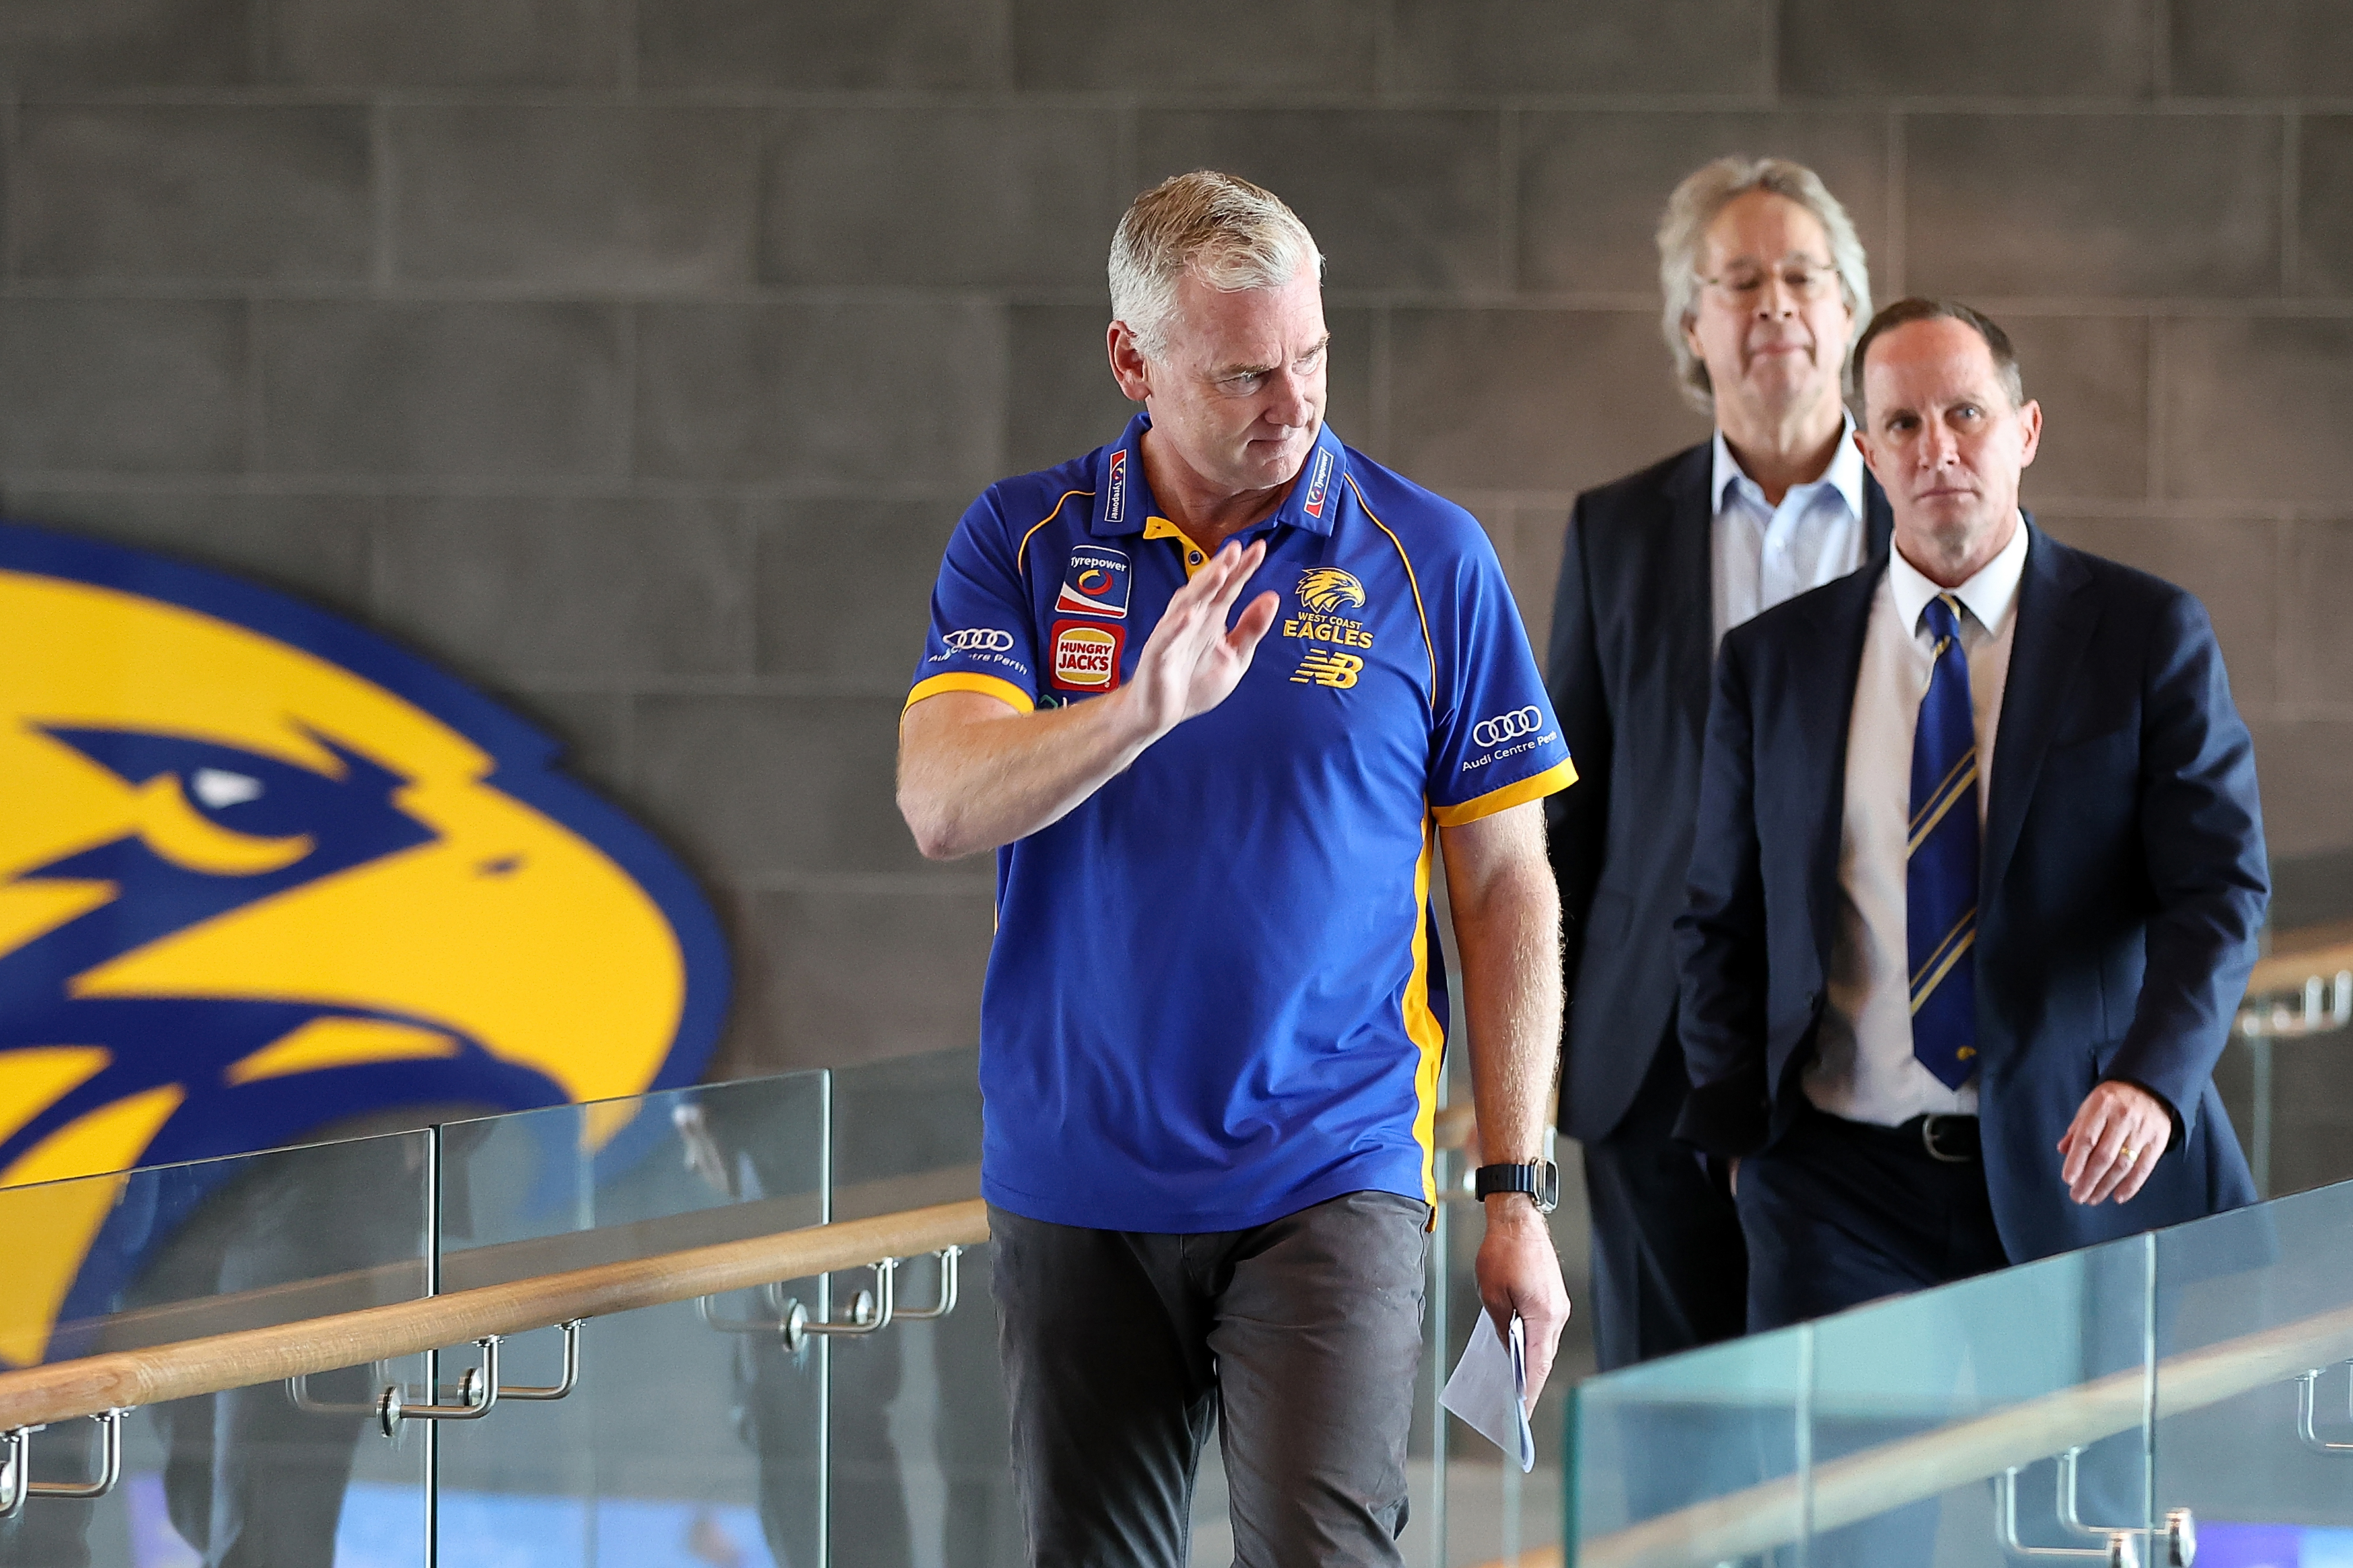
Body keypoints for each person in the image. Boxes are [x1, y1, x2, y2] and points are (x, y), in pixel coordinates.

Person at [896, 170, 1575, 1567]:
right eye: (1247, 373)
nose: (1295, 402)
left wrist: (1516, 1190)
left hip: (1332, 1167)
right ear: (1132, 362)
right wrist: (1139, 710)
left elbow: (1508, 886)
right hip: (1074, 1177)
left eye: (1315, 356)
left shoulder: (1427, 557)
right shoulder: (1019, 543)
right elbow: (941, 804)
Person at [1675, 297, 2266, 1337]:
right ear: (1864, 448)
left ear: (2024, 430)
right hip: (1835, 1186)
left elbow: (2218, 892)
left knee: (2068, 1502)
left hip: (2075, 1163)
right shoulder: (1773, 663)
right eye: (1901, 424)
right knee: (1849, 1504)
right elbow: (1719, 915)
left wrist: (2151, 1081)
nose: (1936, 448)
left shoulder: (2143, 633)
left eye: (1966, 414)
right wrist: (1739, 1142)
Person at [1544, 156, 1892, 1373]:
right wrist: (1525, 1057)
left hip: (1878, 1049)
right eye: (1737, 280)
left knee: (1859, 1425)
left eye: (1803, 274)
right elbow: (1560, 818)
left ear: (1849, 311)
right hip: (1651, 1064)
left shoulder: (1934, 521)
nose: (1775, 304)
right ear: (1691, 325)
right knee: (1669, 1436)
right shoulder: (1615, 530)